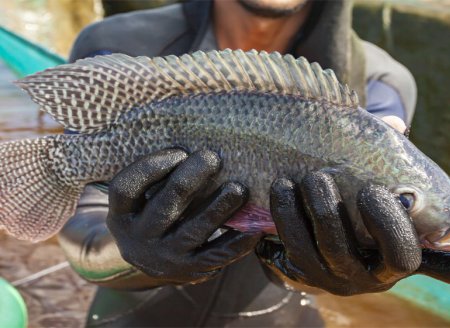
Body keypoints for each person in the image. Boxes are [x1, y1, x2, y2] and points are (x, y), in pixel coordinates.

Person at [58, 0, 450, 326]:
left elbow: (365, 223)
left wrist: (337, 271)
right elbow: (74, 212)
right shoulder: (120, 42)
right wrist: (127, 251)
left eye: (406, 200)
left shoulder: (381, 81)